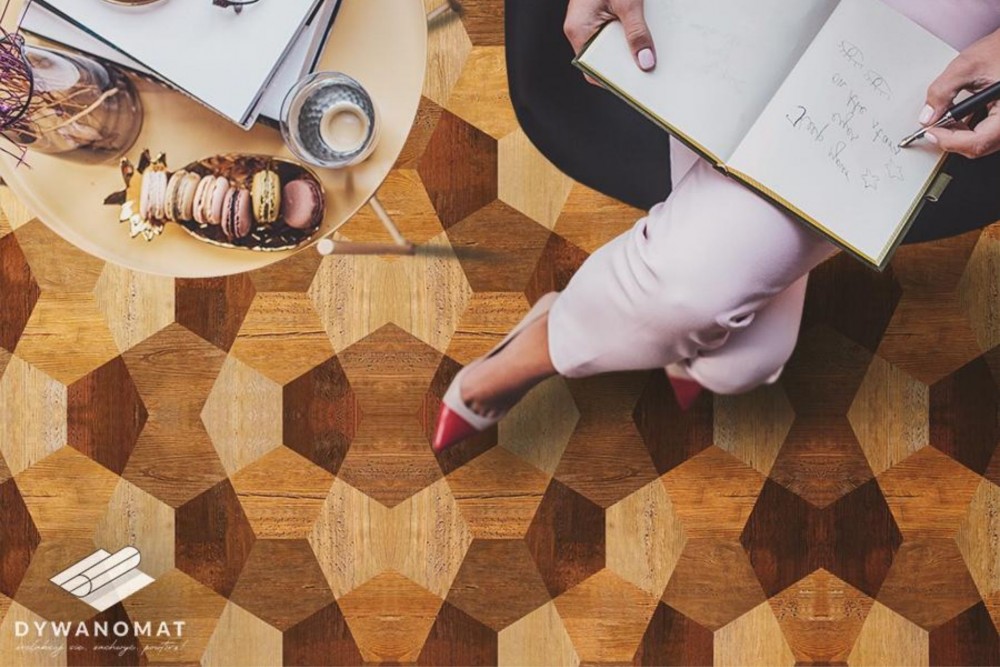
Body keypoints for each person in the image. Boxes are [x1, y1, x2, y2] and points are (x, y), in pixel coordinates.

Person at [432, 0, 1000, 452]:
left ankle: (559, 334)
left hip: (935, 31)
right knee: (732, 346)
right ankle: (539, 354)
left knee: (736, 353)